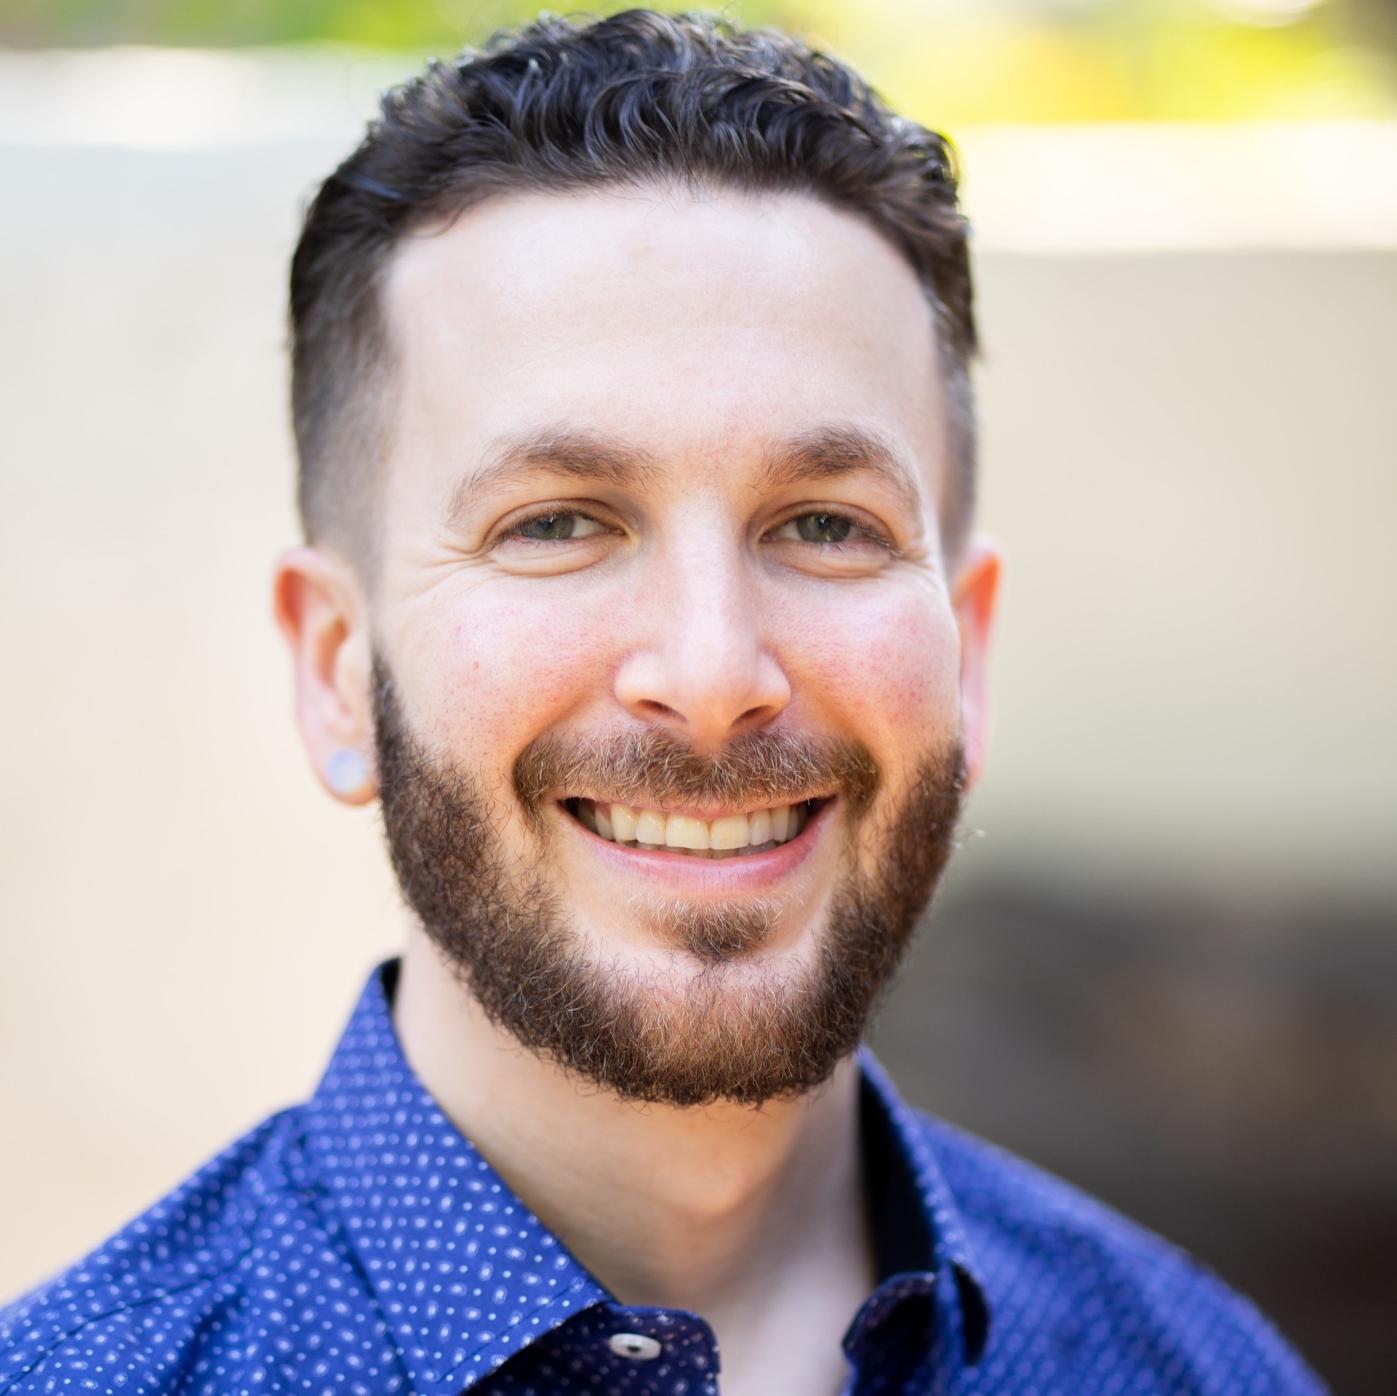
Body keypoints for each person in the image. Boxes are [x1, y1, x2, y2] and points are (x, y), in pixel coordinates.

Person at [1, 11, 1326, 1395]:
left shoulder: (1192, 1366)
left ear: (967, 656)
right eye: (555, 523)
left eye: (826, 526)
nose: (710, 676)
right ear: (338, 668)